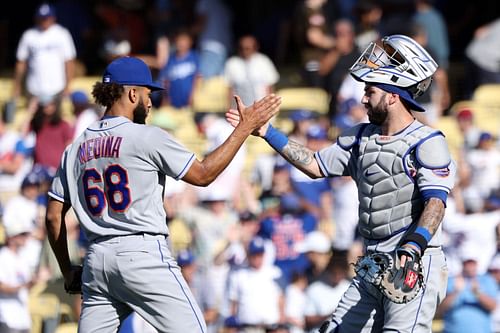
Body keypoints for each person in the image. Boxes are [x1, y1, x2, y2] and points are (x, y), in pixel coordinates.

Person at [226, 34, 456, 332]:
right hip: (373, 260)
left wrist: (413, 247)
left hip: (413, 261)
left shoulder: (427, 141)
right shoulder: (359, 137)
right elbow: (314, 165)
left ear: (393, 95)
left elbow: (436, 203)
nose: (363, 98)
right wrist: (268, 132)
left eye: (370, 91)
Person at [44, 56, 281, 332]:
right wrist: (244, 128)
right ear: (132, 93)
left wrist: (66, 269)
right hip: (141, 253)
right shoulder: (145, 137)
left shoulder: (74, 149)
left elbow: (52, 217)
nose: (149, 102)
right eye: (147, 94)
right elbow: (203, 174)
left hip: (97, 258)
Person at [12, 3, 76, 114]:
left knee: (55, 122)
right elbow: (21, 61)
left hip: (57, 88)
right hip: (34, 89)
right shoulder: (29, 35)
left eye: (47, 18)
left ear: (53, 18)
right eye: (41, 18)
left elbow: (69, 61)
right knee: (33, 121)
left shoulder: (62, 34)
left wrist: (68, 85)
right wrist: (17, 85)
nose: (44, 21)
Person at [224, 35, 280, 108]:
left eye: (247, 48)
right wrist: (229, 109)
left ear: (255, 48)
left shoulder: (264, 61)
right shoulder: (232, 63)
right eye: (241, 48)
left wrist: (269, 108)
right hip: (239, 111)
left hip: (261, 109)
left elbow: (270, 88)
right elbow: (229, 89)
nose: (244, 51)